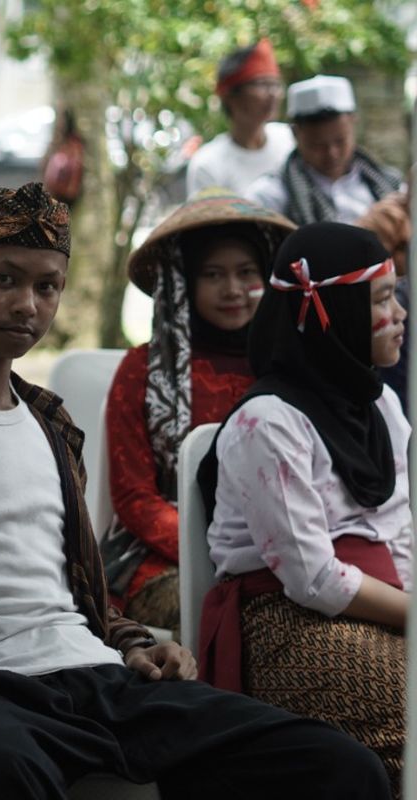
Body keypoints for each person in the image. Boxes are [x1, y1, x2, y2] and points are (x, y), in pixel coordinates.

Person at [0, 183, 389, 800]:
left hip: (98, 680)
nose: (26, 304)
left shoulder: (53, 423)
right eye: (4, 280)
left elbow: (81, 597)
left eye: (46, 286)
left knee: (335, 763)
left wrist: (133, 646)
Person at [199, 221, 411, 797]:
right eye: (382, 300)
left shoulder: (381, 403)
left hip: (383, 607)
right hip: (290, 625)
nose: (401, 315)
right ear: (332, 310)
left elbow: (399, 528)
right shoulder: (266, 422)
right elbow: (312, 579)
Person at [102, 191, 294, 630]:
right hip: (160, 560)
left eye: (247, 273)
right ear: (184, 282)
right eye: (212, 274)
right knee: (241, 620)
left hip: (283, 550)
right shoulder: (143, 371)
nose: (232, 290)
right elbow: (134, 497)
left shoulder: (289, 367)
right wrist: (218, 549)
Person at [246, 75, 406, 235]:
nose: (332, 153)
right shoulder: (270, 198)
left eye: (340, 141)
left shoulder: (391, 184)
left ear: (354, 122)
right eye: (317, 145)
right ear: (295, 133)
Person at [186, 40, 293, 198]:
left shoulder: (290, 140)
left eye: (276, 84)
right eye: (262, 84)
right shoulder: (208, 164)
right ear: (230, 96)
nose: (273, 94)